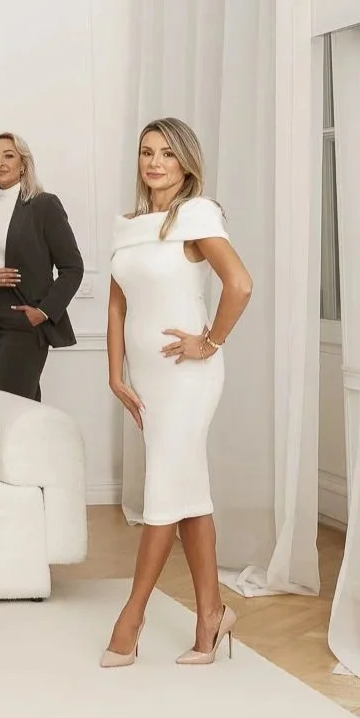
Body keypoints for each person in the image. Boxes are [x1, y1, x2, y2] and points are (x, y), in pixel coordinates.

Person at [101, 117, 252, 668]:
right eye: (146, 152)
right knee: (187, 492)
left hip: (188, 379)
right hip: (146, 379)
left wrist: (208, 342)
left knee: (164, 489)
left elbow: (240, 283)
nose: (155, 161)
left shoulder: (197, 215)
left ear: (186, 162)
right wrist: (116, 374)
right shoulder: (130, 225)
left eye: (167, 152)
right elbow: (117, 305)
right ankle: (211, 613)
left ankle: (131, 618)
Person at [0, 132, 85, 401]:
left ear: (23, 164)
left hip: (24, 322)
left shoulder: (43, 205)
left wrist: (44, 312)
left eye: (8, 155)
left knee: (11, 408)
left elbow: (72, 268)